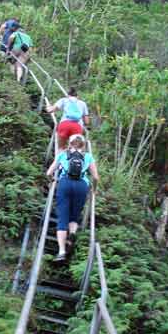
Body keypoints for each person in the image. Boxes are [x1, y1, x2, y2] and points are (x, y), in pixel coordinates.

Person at [46, 134, 99, 262]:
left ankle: (61, 251)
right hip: (81, 186)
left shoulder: (63, 154)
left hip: (65, 184)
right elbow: (96, 177)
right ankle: (73, 234)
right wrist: (94, 189)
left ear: (70, 144)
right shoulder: (88, 156)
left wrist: (52, 180)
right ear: (84, 145)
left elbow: (49, 172)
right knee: (74, 216)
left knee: (63, 218)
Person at [46, 88, 90, 152]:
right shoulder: (83, 103)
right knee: (76, 149)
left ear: (68, 95)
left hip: (64, 125)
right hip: (77, 126)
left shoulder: (64, 100)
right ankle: (75, 160)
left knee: (61, 148)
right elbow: (87, 122)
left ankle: (60, 159)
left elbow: (50, 110)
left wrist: (48, 106)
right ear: (78, 96)